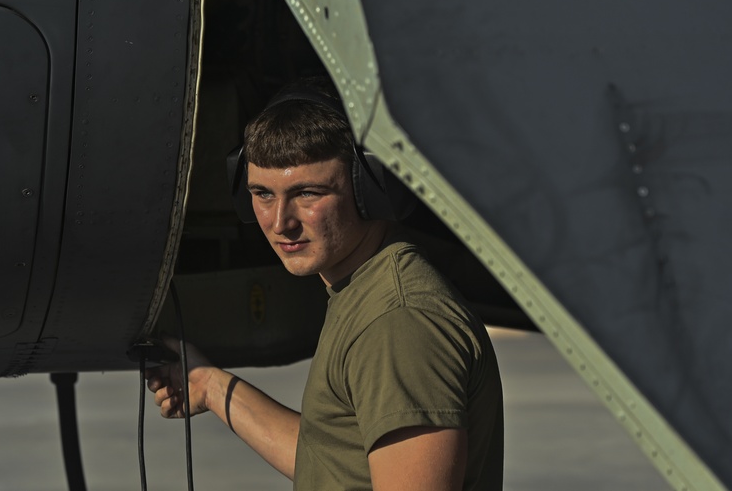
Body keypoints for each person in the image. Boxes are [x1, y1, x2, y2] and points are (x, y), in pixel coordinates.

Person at [146, 80, 503, 490]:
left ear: (370, 190)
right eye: (262, 194)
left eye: (308, 193)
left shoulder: (397, 323)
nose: (280, 222)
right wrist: (211, 385)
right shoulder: (364, 291)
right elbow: (336, 461)